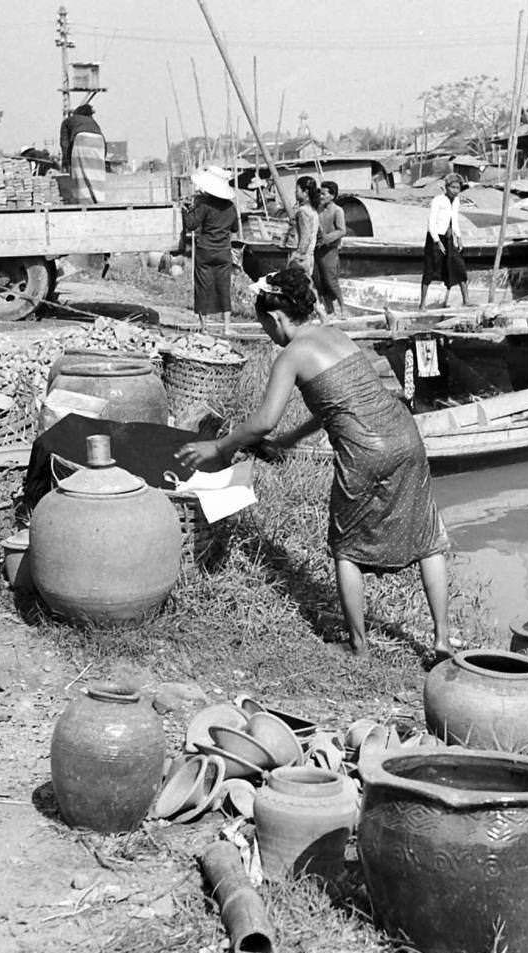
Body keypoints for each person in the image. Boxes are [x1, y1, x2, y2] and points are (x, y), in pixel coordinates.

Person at [175, 267, 451, 660]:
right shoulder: (337, 334)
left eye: (265, 327)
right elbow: (336, 401)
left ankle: (358, 647)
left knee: (346, 548)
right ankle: (441, 642)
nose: (269, 336)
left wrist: (222, 448)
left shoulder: (292, 355)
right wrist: (290, 440)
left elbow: (264, 420)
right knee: (428, 539)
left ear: (276, 318)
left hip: (365, 452)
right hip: (406, 437)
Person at [183, 165, 239, 328]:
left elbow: (191, 225)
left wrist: (186, 211)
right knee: (224, 287)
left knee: (203, 286)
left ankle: (204, 326)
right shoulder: (230, 207)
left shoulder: (205, 205)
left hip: (205, 251)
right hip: (223, 251)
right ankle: (227, 327)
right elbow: (234, 228)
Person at [420, 172, 470, 308]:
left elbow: (455, 220)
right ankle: (422, 304)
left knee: (459, 266)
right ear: (446, 187)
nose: (455, 191)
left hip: (449, 238)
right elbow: (431, 223)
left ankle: (466, 301)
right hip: (435, 237)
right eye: (452, 187)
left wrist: (458, 237)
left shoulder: (457, 201)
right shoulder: (438, 200)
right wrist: (437, 241)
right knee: (430, 269)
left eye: (457, 188)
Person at [59, 104, 106, 203]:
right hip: (99, 142)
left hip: (82, 139)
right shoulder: (93, 122)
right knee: (96, 174)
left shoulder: (68, 121)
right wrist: (103, 158)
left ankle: (85, 202)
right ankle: (99, 201)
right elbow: (103, 140)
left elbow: (65, 144)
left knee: (80, 173)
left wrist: (66, 162)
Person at [312, 180, 346, 318]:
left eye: (324, 194)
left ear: (332, 196)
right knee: (319, 281)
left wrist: (327, 238)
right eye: (320, 193)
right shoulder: (318, 209)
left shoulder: (338, 211)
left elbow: (342, 230)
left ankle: (343, 308)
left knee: (331, 280)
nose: (321, 196)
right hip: (317, 249)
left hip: (330, 250)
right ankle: (330, 311)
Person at [283, 175, 320, 277]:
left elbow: (305, 236)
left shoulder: (303, 211)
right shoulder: (313, 210)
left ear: (306, 192)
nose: (295, 193)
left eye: (297, 190)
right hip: (308, 255)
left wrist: (297, 257)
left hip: (301, 257)